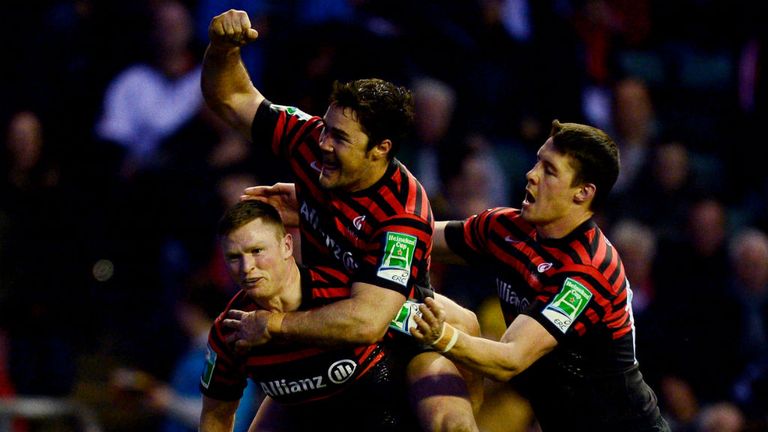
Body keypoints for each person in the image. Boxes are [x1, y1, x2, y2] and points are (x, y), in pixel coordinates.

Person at [200, 9, 480, 431]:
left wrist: (273, 325)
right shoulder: (311, 141)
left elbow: (368, 320)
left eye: (341, 138)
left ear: (380, 149)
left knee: (450, 425)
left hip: (397, 332)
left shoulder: (401, 211)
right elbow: (232, 98)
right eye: (327, 129)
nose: (325, 144)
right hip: (315, 322)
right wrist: (222, 49)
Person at [410, 120, 670, 431]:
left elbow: (510, 359)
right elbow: (418, 237)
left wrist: (441, 336)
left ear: (582, 193)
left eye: (549, 170)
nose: (531, 175)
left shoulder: (587, 271)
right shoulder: (507, 228)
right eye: (537, 161)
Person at [199, 200, 421, 431]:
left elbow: (428, 326)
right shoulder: (230, 330)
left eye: (257, 251)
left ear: (286, 246)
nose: (246, 267)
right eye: (234, 257)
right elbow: (216, 415)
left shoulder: (349, 291)